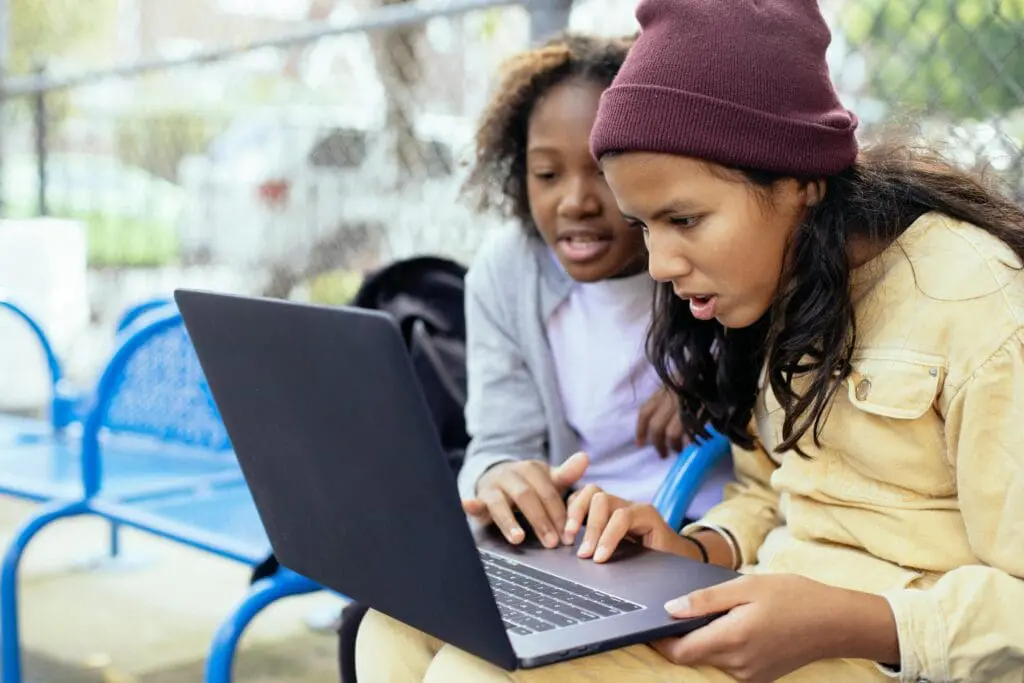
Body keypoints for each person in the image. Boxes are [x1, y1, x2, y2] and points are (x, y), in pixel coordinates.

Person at [355, 0, 1024, 681]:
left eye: (683, 218)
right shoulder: (782, 281)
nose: (660, 265)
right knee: (397, 625)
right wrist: (692, 548)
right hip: (762, 614)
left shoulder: (975, 299)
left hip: (889, 653)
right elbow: (769, 494)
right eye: (645, 226)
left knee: (472, 671)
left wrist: (849, 620)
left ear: (798, 180)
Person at [455, 32, 732, 550]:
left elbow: (778, 362)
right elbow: (497, 442)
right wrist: (500, 475)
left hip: (703, 530)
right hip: (578, 534)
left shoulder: (704, 248)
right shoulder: (509, 270)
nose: (575, 202)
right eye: (547, 174)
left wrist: (715, 387)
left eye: (603, 171)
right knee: (365, 618)